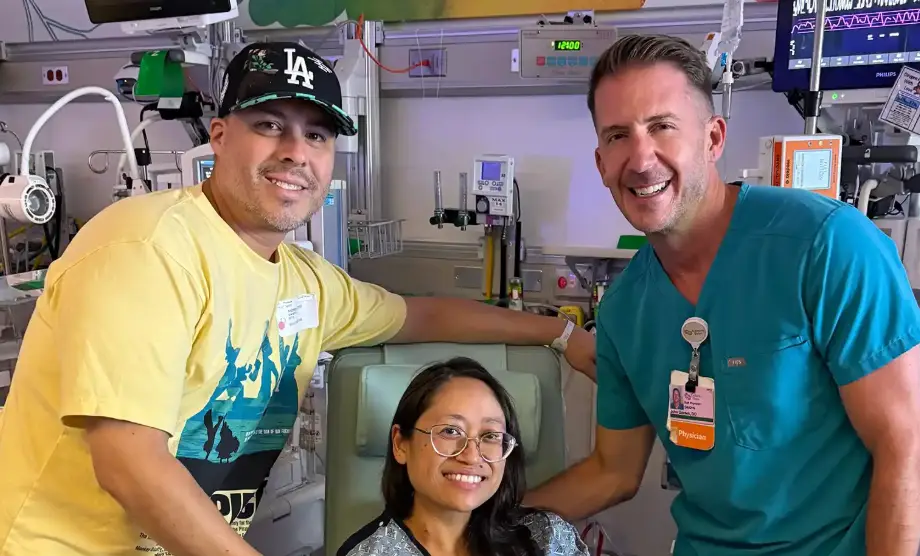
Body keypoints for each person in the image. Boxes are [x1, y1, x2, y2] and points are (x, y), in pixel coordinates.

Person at [0, 42, 596, 556]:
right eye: (269, 125)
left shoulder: (305, 283)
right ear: (219, 135)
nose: (295, 151)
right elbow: (130, 464)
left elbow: (421, 314)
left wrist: (560, 334)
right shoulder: (149, 248)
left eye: (316, 134)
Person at [524, 34, 920, 556]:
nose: (641, 159)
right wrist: (486, 526)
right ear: (601, 163)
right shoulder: (625, 311)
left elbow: (905, 445)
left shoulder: (826, 246)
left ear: (713, 139)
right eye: (618, 136)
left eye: (662, 127)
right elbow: (612, 472)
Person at [338, 357, 589, 556]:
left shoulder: (546, 539)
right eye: (450, 431)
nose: (471, 456)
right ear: (400, 444)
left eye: (490, 435)